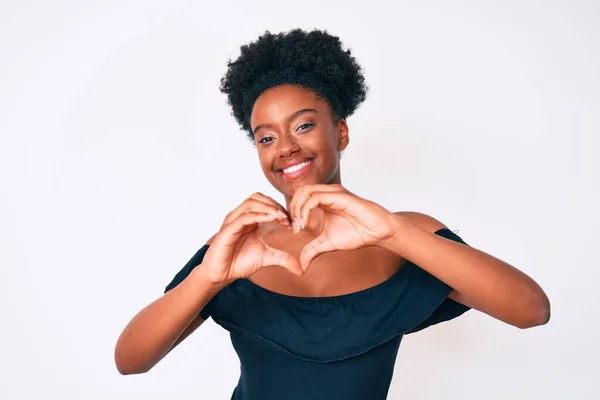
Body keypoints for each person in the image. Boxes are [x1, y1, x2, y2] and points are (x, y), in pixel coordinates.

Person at [114, 28, 550, 399]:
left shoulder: (403, 236)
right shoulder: (239, 246)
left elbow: (531, 310)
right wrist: (210, 276)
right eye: (265, 138)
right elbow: (130, 360)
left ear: (340, 131)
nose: (285, 147)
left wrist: (392, 232)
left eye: (303, 125)